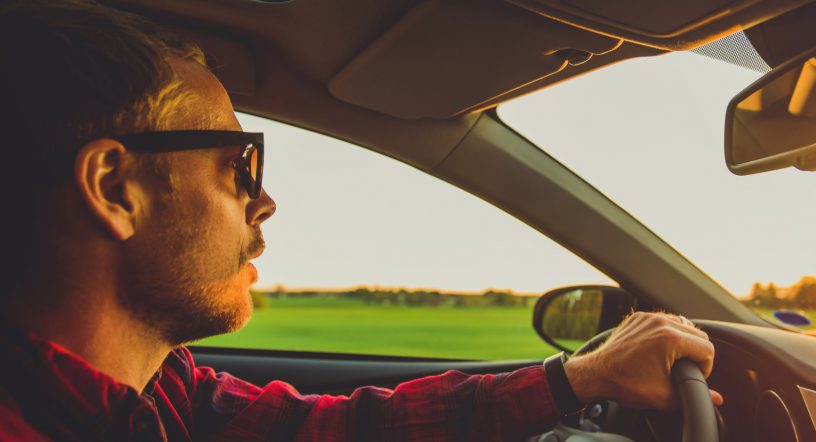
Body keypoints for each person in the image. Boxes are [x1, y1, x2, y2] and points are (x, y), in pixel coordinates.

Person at [0, 1, 722, 440]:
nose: (264, 201)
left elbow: (332, 429)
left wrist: (576, 379)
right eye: (237, 165)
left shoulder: (161, 395)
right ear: (114, 187)